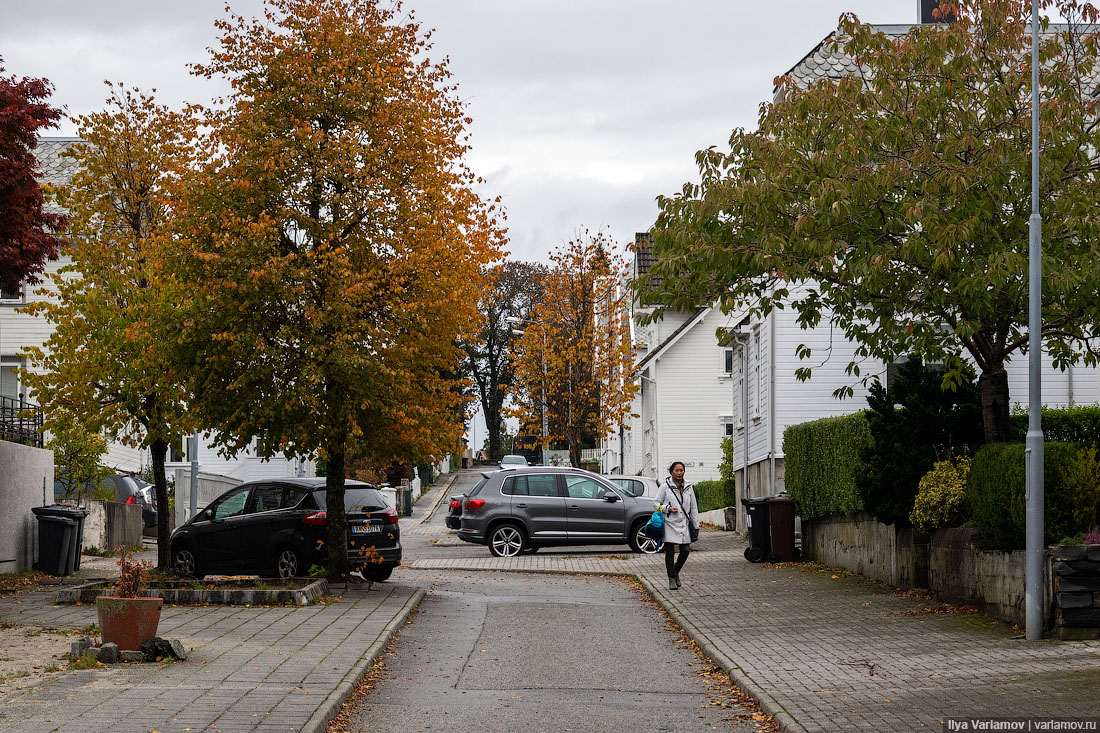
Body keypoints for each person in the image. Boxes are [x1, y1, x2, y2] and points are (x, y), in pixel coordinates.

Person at [654, 461, 699, 590]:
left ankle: (675, 571)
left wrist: (696, 526)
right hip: (669, 524)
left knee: (685, 551)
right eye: (677, 470)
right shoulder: (665, 487)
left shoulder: (689, 487)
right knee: (669, 552)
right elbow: (655, 504)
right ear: (671, 472)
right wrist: (667, 508)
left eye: (681, 470)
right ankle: (671, 578)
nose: (679, 473)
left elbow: (693, 507)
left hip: (684, 523)